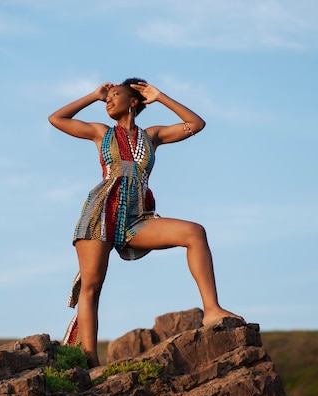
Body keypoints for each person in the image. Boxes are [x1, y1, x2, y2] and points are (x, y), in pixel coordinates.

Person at [48, 78, 244, 367]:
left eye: (115, 95)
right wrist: (94, 95)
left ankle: (212, 309)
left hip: (137, 217)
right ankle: (90, 361)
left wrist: (160, 96)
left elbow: (196, 124)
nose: (109, 101)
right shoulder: (100, 132)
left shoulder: (152, 136)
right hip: (100, 213)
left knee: (194, 233)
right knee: (92, 285)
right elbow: (57, 119)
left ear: (134, 102)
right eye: (107, 98)